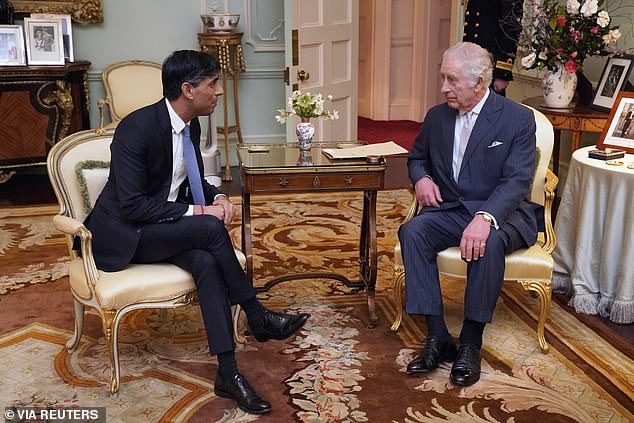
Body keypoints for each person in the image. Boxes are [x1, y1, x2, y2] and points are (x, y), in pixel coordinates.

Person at [81, 50, 309, 414]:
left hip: (163, 229)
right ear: (188, 89)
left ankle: (228, 373)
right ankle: (257, 313)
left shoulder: (192, 123)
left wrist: (217, 195)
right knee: (206, 226)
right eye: (213, 84)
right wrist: (203, 210)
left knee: (205, 260)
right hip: (126, 234)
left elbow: (188, 177)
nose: (218, 91)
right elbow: (133, 205)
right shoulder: (136, 129)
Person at [399, 42, 538, 387]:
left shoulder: (517, 119)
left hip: (502, 212)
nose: (443, 87)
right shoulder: (437, 116)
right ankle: (438, 337)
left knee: (487, 243)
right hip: (452, 208)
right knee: (412, 231)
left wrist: (486, 217)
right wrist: (423, 179)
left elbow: (517, 180)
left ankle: (470, 344)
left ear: (480, 83)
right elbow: (417, 158)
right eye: (443, 77)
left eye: (452, 80)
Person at [462, 0, 524, 96]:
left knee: (490, 107)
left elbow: (510, 31)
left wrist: (503, 72)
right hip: (472, 63)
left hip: (491, 66)